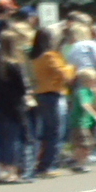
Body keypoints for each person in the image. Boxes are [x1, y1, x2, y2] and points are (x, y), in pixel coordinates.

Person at [0, 36, 30, 183]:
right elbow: (21, 89)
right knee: (12, 140)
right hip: (12, 107)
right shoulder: (14, 64)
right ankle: (11, 172)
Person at [30, 29, 72, 178]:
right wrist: (70, 67)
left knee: (46, 131)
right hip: (53, 93)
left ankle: (43, 163)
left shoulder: (35, 57)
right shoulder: (50, 56)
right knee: (55, 132)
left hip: (41, 93)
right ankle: (48, 165)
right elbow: (64, 74)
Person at [68, 69, 96, 173]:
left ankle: (74, 160)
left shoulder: (92, 92)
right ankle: (80, 163)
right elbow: (85, 105)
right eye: (94, 80)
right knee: (84, 144)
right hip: (80, 122)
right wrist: (95, 115)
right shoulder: (82, 92)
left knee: (88, 144)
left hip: (88, 123)